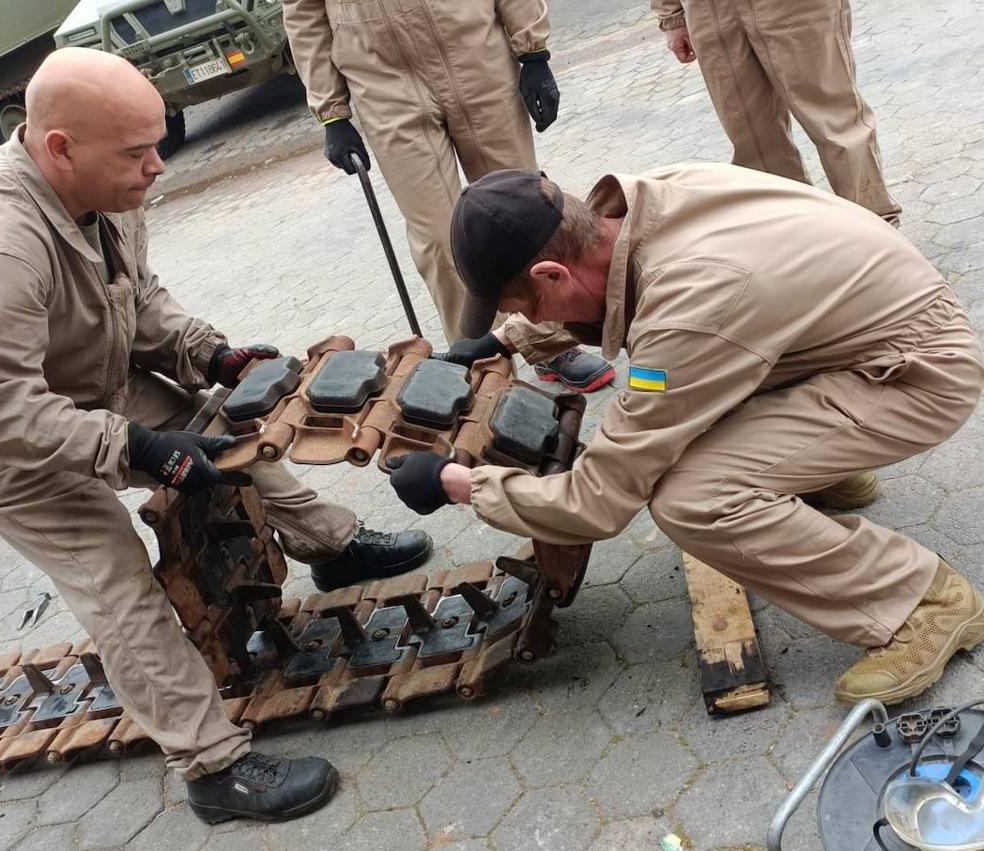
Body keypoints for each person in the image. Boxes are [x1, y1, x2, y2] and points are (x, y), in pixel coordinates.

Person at [0, 48, 431, 824]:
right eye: (139, 152)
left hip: (62, 372)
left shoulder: (107, 184)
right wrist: (134, 450)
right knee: (107, 559)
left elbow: (134, 300)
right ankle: (211, 768)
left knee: (220, 428)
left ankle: (332, 547)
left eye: (157, 143)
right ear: (59, 146)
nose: (158, 167)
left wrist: (213, 354)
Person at [387, 165, 984, 706]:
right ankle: (822, 468)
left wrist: (459, 482)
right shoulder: (639, 204)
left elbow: (599, 501)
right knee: (692, 402)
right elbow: (616, 292)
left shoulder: (691, 308)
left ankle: (922, 604)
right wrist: (509, 341)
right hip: (850, 328)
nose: (535, 316)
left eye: (526, 304)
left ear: (550, 269)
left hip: (916, 373)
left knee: (690, 497)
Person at [282, 0, 616, 393]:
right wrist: (331, 112)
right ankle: (482, 365)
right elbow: (304, 12)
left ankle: (547, 343)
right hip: (383, 85)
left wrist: (533, 51)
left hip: (475, 57)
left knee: (525, 218)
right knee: (441, 241)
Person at [652, 0, 901, 224]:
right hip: (711, 13)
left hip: (790, 8)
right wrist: (671, 14)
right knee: (756, 144)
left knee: (836, 121)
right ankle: (801, 240)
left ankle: (877, 231)